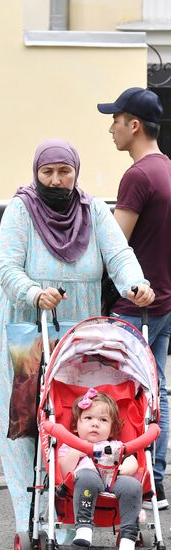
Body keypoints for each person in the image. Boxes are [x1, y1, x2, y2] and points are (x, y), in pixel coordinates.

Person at [0, 139, 154, 533]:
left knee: (71, 415)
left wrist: (136, 284)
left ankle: (66, 510)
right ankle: (27, 516)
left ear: (76, 173)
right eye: (48, 172)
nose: (56, 180)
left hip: (79, 328)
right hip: (27, 325)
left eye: (64, 172)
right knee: (25, 418)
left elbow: (118, 254)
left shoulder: (93, 209)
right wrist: (34, 292)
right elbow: (6, 266)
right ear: (36, 172)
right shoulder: (21, 209)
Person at [97, 87, 171, 510]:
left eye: (116, 120)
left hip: (133, 304)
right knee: (155, 391)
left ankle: (130, 481)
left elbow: (115, 245)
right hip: (163, 301)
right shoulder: (167, 169)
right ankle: (154, 483)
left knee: (125, 391)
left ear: (134, 125)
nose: (111, 128)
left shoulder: (138, 176)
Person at [58, 388, 142, 549]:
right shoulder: (71, 446)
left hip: (114, 479)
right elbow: (64, 471)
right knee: (87, 477)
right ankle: (83, 528)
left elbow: (132, 459)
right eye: (88, 418)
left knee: (133, 486)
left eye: (103, 420)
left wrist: (126, 468)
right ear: (76, 426)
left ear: (112, 428)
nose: (95, 423)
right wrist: (77, 452)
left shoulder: (115, 445)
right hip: (86, 484)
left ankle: (128, 536)